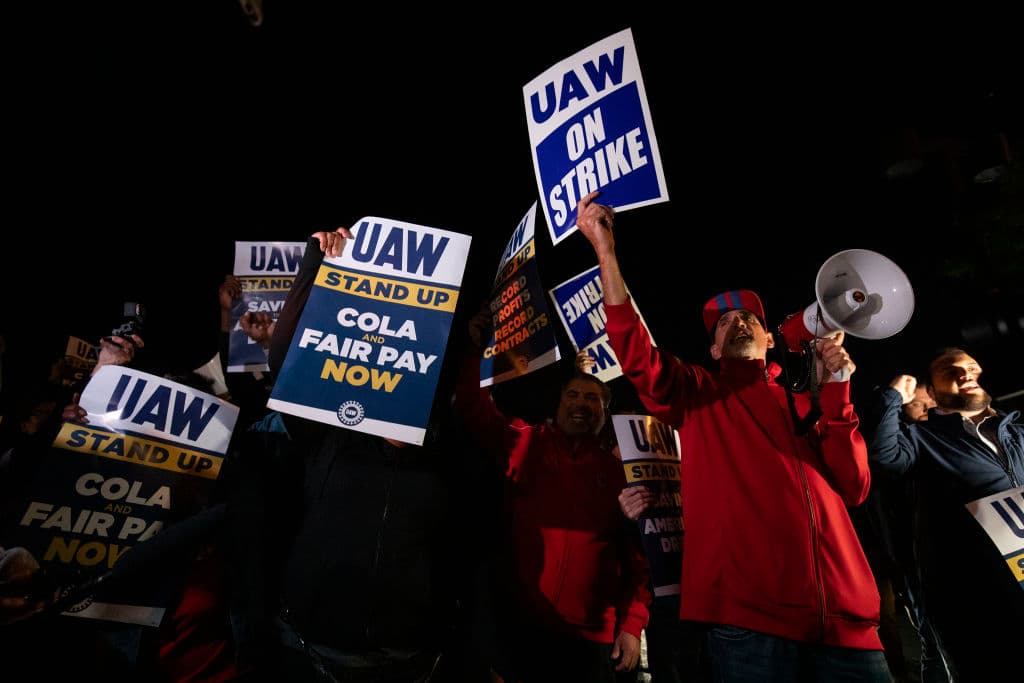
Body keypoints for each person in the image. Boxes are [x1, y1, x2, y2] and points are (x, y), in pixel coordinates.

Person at [575, 190, 890, 682]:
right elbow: (638, 355)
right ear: (714, 347)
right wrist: (605, 252)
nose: (737, 321)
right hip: (749, 628)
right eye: (723, 322)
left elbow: (854, 486)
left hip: (848, 631)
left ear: (770, 339)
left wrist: (839, 390)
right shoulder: (699, 394)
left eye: (748, 317)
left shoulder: (807, 405)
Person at [230, 226, 473, 682]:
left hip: (405, 661)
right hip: (309, 654)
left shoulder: (446, 456)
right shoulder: (332, 437)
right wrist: (315, 267)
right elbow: (289, 367)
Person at [454, 307, 651, 683]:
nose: (581, 403)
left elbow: (638, 559)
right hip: (519, 626)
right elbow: (472, 409)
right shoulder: (527, 443)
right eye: (573, 395)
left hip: (589, 639)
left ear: (604, 412)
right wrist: (475, 351)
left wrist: (633, 624)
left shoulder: (621, 472)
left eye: (593, 399)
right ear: (559, 405)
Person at [864, 348, 1023, 681]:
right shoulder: (923, 440)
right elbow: (883, 455)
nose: (963, 372)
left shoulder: (1017, 432)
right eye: (949, 370)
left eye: (969, 366)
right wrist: (893, 398)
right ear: (932, 395)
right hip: (981, 604)